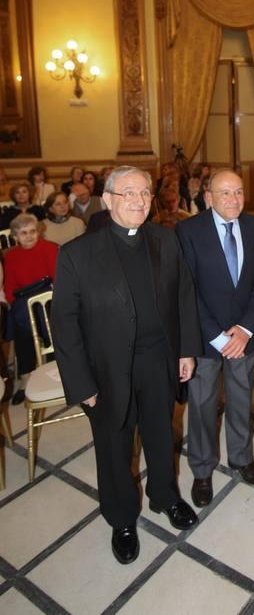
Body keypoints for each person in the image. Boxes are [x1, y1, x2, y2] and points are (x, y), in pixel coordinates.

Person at [52, 166, 202, 565]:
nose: (138, 201)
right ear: (108, 199)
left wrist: (186, 349)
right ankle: (121, 518)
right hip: (106, 370)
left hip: (158, 359)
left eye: (145, 193)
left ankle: (165, 497)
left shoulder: (165, 239)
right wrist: (81, 383)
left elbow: (184, 296)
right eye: (128, 193)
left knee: (160, 433)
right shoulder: (76, 255)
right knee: (114, 446)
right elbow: (64, 326)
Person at [177, 170, 254, 507]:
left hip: (242, 337)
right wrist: (217, 336)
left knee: (241, 399)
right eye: (225, 193)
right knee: (201, 406)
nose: (233, 200)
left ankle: (242, 458)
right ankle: (202, 470)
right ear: (208, 197)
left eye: (239, 192)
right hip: (204, 339)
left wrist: (245, 329)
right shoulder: (188, 231)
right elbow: (186, 289)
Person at [3, 214, 59, 404]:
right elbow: (9, 288)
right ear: (15, 236)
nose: (29, 236)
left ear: (38, 232)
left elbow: (58, 280)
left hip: (49, 299)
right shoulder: (10, 256)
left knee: (29, 321)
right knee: (23, 317)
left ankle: (46, 370)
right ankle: (28, 375)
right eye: (23, 233)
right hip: (24, 304)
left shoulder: (50, 248)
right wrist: (18, 303)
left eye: (33, 231)